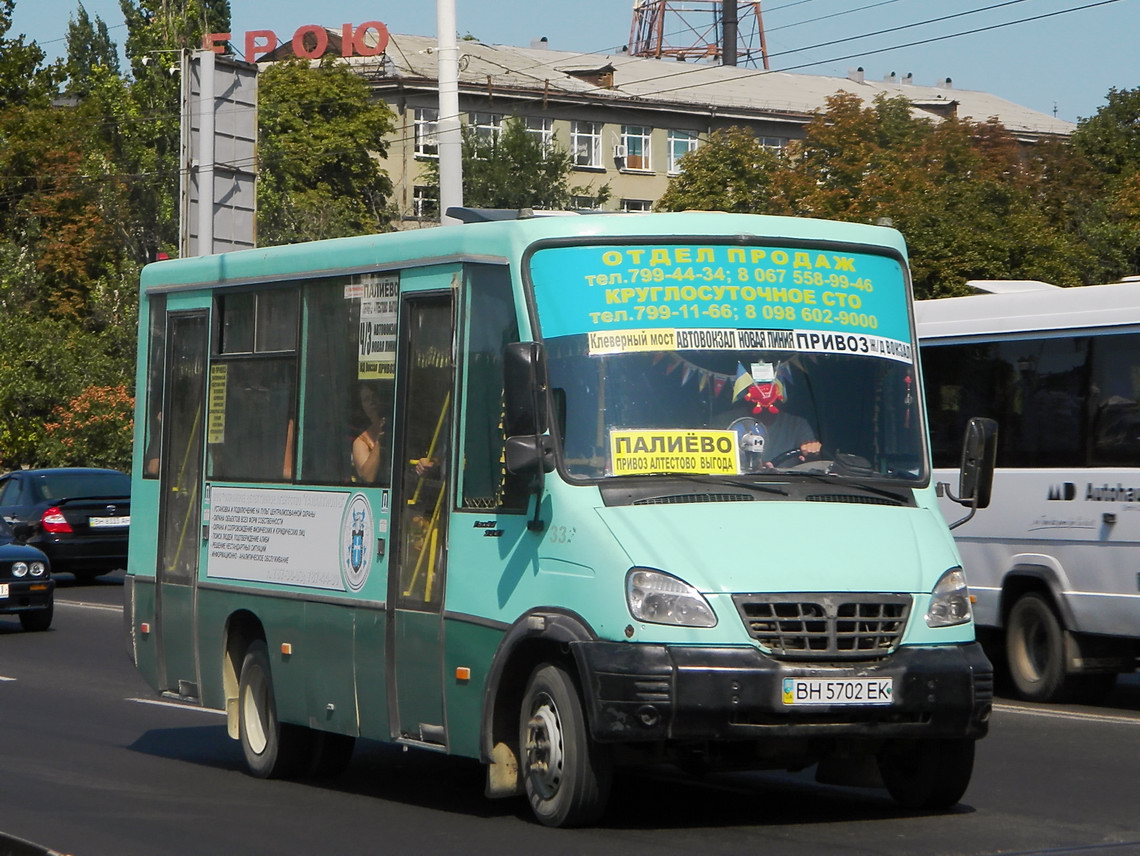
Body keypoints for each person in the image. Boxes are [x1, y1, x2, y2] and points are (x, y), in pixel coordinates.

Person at [726, 361, 821, 469]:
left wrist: (812, 449)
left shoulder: (797, 425)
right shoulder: (727, 422)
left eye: (771, 394)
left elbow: (811, 455)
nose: (765, 400)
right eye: (759, 394)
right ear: (749, 396)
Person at [352, 383, 387, 483]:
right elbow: (368, 477)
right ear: (362, 406)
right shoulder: (361, 442)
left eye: (374, 397)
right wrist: (380, 441)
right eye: (366, 399)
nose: (372, 402)